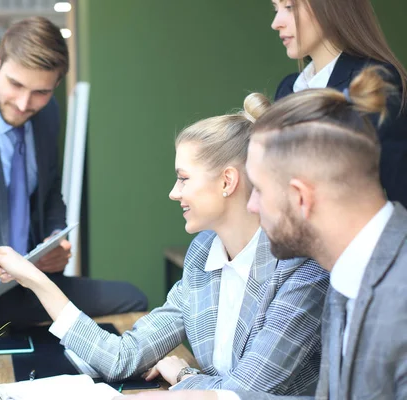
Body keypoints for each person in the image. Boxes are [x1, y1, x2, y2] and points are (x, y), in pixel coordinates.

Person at [0, 94, 329, 395]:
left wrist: (184, 375)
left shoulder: (300, 270)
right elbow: (121, 357)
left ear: (227, 181)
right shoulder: (204, 255)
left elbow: (238, 396)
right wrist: (35, 279)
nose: (174, 193)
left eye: (183, 179)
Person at [122, 67, 407, 400]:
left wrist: (190, 386)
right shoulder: (353, 271)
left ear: (300, 197)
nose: (252, 205)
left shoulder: (396, 290)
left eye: (258, 189)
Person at [0, 16, 147, 327]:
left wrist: (55, 239)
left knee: (133, 297)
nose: (25, 104)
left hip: (31, 283)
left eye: (40, 92)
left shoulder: (47, 114)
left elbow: (50, 192)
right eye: (16, 84)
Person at [271, 0, 407, 208]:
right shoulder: (288, 89)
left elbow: (398, 188)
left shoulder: (372, 81)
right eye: (275, 8)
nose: (276, 23)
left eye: (289, 7)